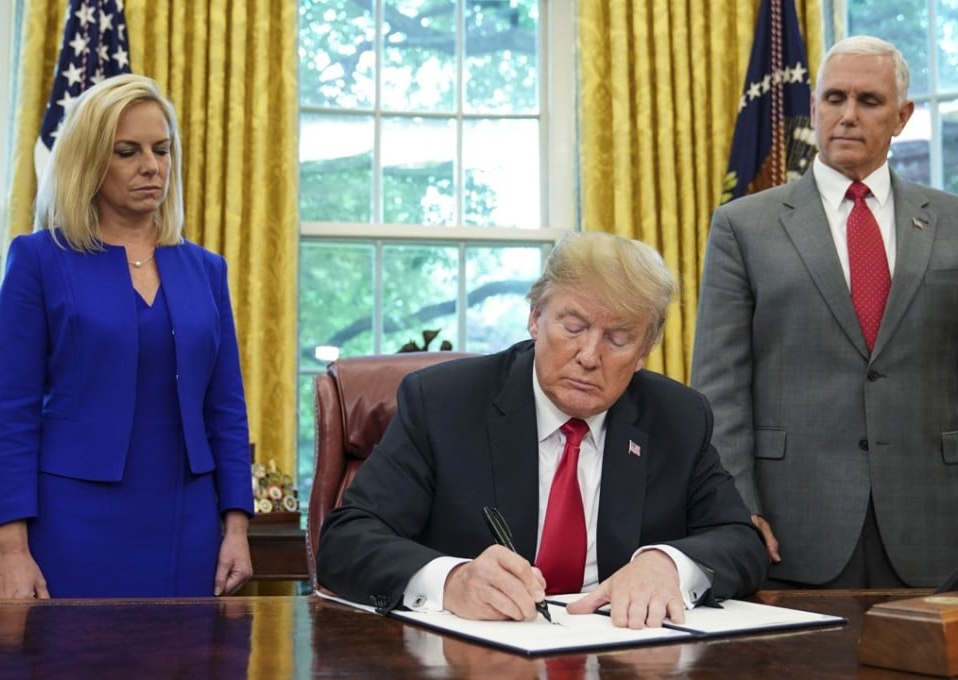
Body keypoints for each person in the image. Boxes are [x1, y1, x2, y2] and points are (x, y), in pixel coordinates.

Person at [691, 36, 958, 589]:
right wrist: (733, 507)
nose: (847, 115)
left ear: (901, 117)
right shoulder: (742, 227)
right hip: (791, 524)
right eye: (834, 98)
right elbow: (720, 384)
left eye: (868, 101)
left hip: (935, 522)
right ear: (814, 106)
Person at [317, 231, 768, 628]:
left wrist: (668, 564)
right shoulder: (444, 403)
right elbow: (345, 540)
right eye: (573, 326)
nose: (589, 355)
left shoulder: (677, 418)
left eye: (618, 339)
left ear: (645, 349)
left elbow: (741, 541)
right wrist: (452, 580)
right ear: (535, 318)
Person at [0, 74, 255, 598]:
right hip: (70, 521)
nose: (152, 166)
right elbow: (9, 411)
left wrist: (237, 527)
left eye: (161, 150)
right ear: (90, 161)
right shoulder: (40, 260)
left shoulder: (206, 269)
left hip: (189, 520)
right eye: (127, 151)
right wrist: (8, 549)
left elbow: (226, 410)